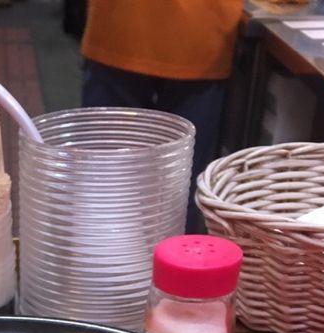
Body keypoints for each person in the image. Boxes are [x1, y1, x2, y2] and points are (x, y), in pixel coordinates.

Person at [81, 0, 244, 228]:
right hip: (202, 31)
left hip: (121, 24)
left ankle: (104, 253)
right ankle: (170, 257)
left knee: (109, 176)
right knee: (179, 183)